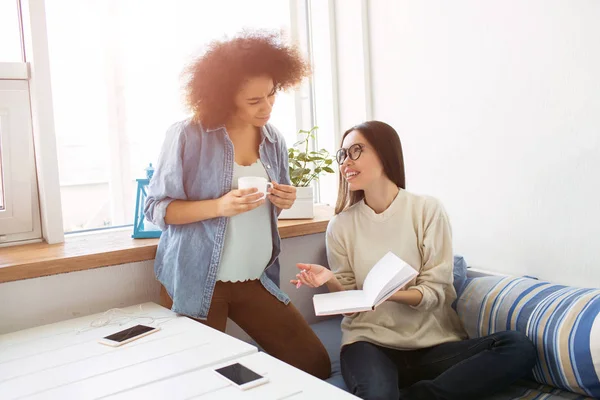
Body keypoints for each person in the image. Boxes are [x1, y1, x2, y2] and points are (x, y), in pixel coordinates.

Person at [292, 121, 536, 399]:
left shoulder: (427, 210)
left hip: (432, 344)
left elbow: (436, 293)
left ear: (385, 154)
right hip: (368, 343)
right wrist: (331, 279)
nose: (346, 161)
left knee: (517, 347)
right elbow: (351, 309)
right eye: (343, 154)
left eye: (356, 150)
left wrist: (390, 294)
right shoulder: (340, 225)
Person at [145, 30, 330, 379]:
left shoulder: (273, 138)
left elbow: (270, 206)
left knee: (313, 365)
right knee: (205, 380)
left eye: (272, 94)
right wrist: (218, 206)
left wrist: (284, 198)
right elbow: (156, 208)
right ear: (224, 97)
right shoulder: (188, 135)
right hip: (199, 281)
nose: (267, 107)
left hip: (253, 279)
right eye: (254, 101)